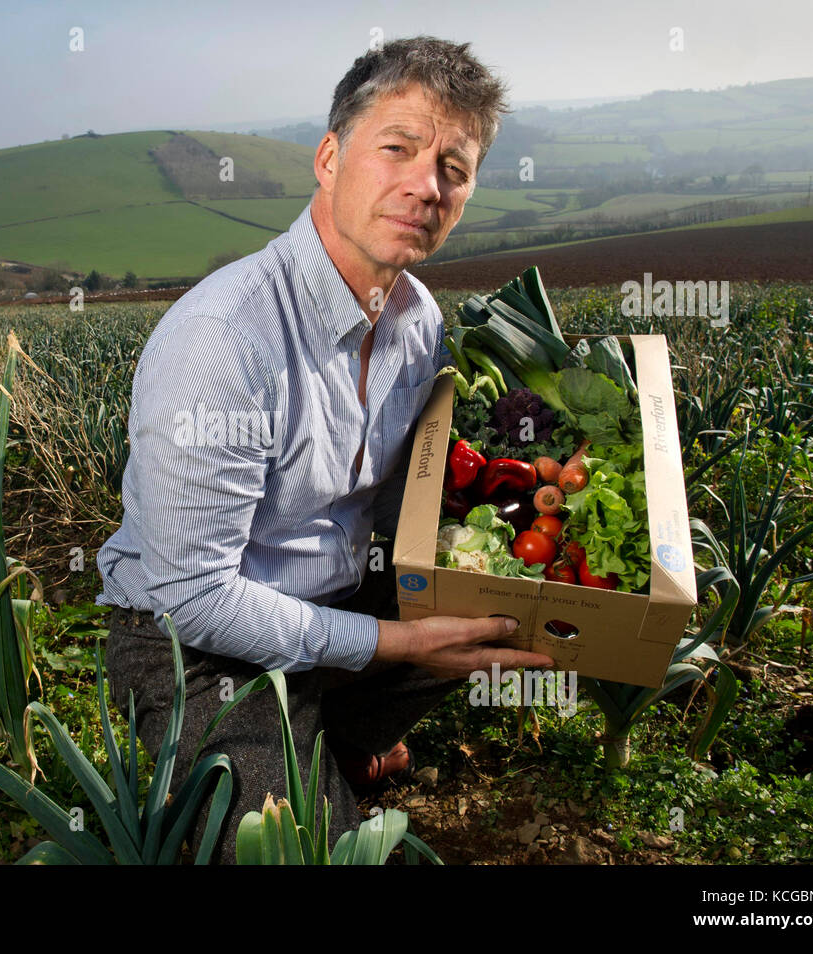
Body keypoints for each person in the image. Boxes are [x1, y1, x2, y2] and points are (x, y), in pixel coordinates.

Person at [95, 35, 555, 864]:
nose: (426, 185)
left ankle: (328, 733)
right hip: (196, 648)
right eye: (399, 149)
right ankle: (297, 746)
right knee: (303, 851)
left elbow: (393, 507)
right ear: (331, 157)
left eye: (455, 166)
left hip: (335, 600)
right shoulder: (223, 341)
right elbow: (193, 596)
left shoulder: (416, 319)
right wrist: (403, 645)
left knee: (503, 618)